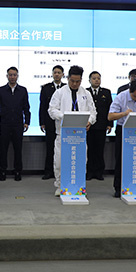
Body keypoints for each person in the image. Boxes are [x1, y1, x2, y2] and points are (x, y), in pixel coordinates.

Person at [48, 65, 96, 196]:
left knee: (80, 161)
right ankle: (60, 185)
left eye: (78, 81)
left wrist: (90, 121)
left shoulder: (86, 94)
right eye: (72, 81)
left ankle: (79, 185)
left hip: (80, 135)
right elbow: (52, 110)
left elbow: (93, 112)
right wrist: (65, 117)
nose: (75, 84)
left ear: (81, 80)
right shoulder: (59, 92)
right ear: (68, 78)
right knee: (59, 161)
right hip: (63, 133)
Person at [108, 80, 136, 198]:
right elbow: (110, 116)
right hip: (123, 130)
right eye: (134, 96)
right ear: (130, 91)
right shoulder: (121, 96)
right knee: (121, 160)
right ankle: (118, 188)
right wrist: (124, 114)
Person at [0, 67, 31, 181]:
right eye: (10, 75)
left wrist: (27, 122)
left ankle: (17, 171)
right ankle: (2, 171)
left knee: (18, 149)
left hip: (18, 124)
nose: (12, 77)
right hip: (4, 124)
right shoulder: (1, 90)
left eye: (14, 75)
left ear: (17, 76)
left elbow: (26, 107)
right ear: (7, 76)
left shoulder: (23, 90)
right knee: (3, 149)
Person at [39, 65, 65, 180]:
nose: (57, 74)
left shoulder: (66, 88)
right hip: (49, 122)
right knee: (50, 147)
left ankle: (62, 172)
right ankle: (49, 171)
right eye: (55, 72)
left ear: (63, 74)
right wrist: (42, 122)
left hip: (63, 123)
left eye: (59, 72)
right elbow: (43, 106)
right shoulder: (46, 88)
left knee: (62, 149)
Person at [86, 71, 112, 181]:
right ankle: (89, 172)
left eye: (98, 78)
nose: (96, 80)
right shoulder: (85, 92)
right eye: (94, 78)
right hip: (88, 126)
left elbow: (110, 108)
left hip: (101, 125)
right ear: (89, 80)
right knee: (90, 150)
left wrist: (110, 124)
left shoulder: (106, 92)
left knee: (100, 150)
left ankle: (99, 172)